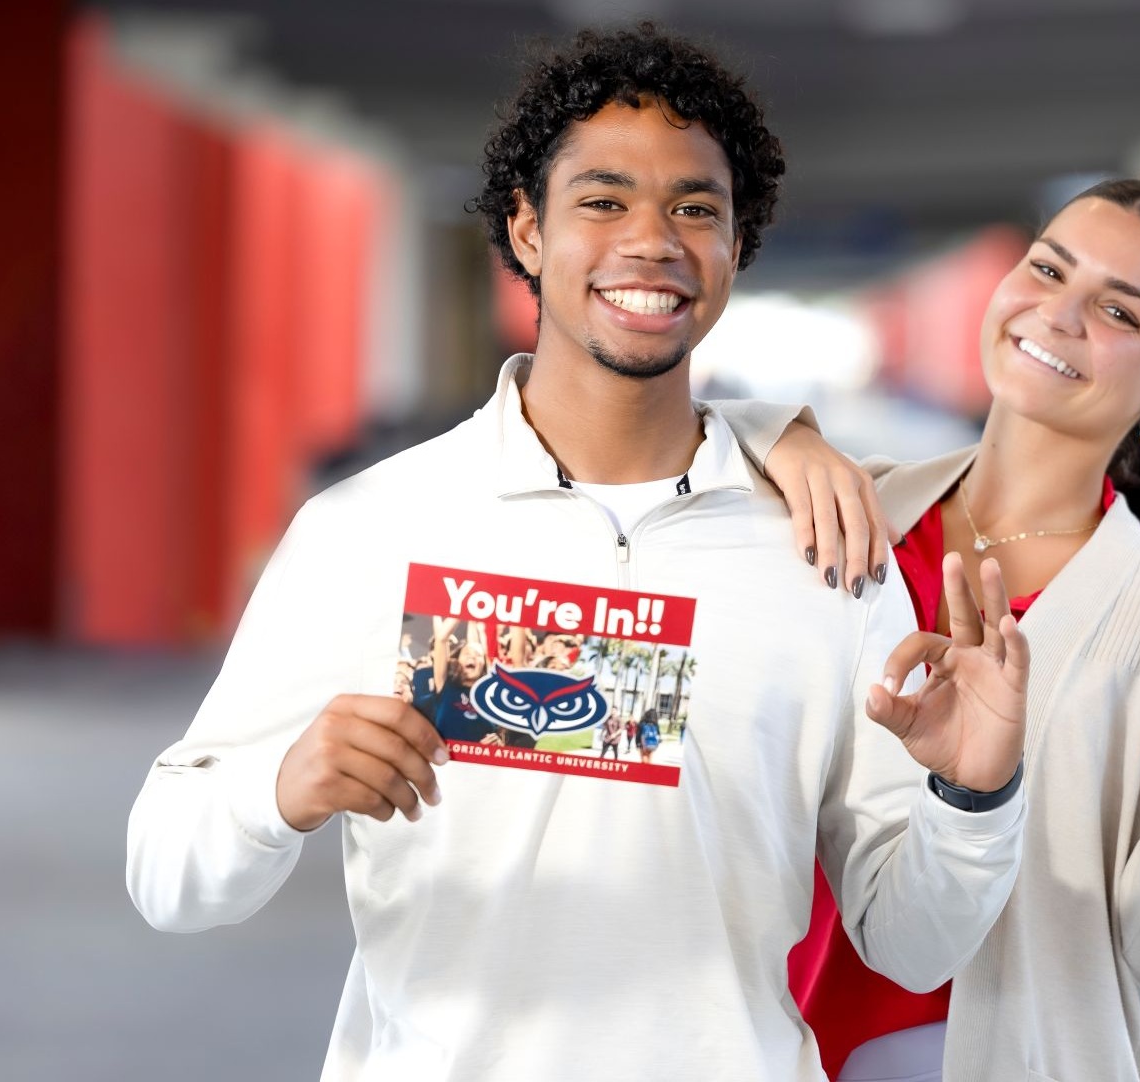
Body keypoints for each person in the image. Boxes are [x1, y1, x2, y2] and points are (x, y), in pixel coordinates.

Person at [125, 25, 1033, 1082]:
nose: (651, 239)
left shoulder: (824, 550)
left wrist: (973, 797)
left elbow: (908, 940)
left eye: (696, 208)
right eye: (603, 200)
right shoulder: (372, 527)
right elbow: (166, 871)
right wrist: (275, 790)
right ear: (527, 228)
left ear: (737, 248)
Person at [723, 178, 1140, 1082]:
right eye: (1046, 269)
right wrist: (777, 433)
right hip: (760, 1044)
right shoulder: (837, 510)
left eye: (1115, 309)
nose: (1056, 316)